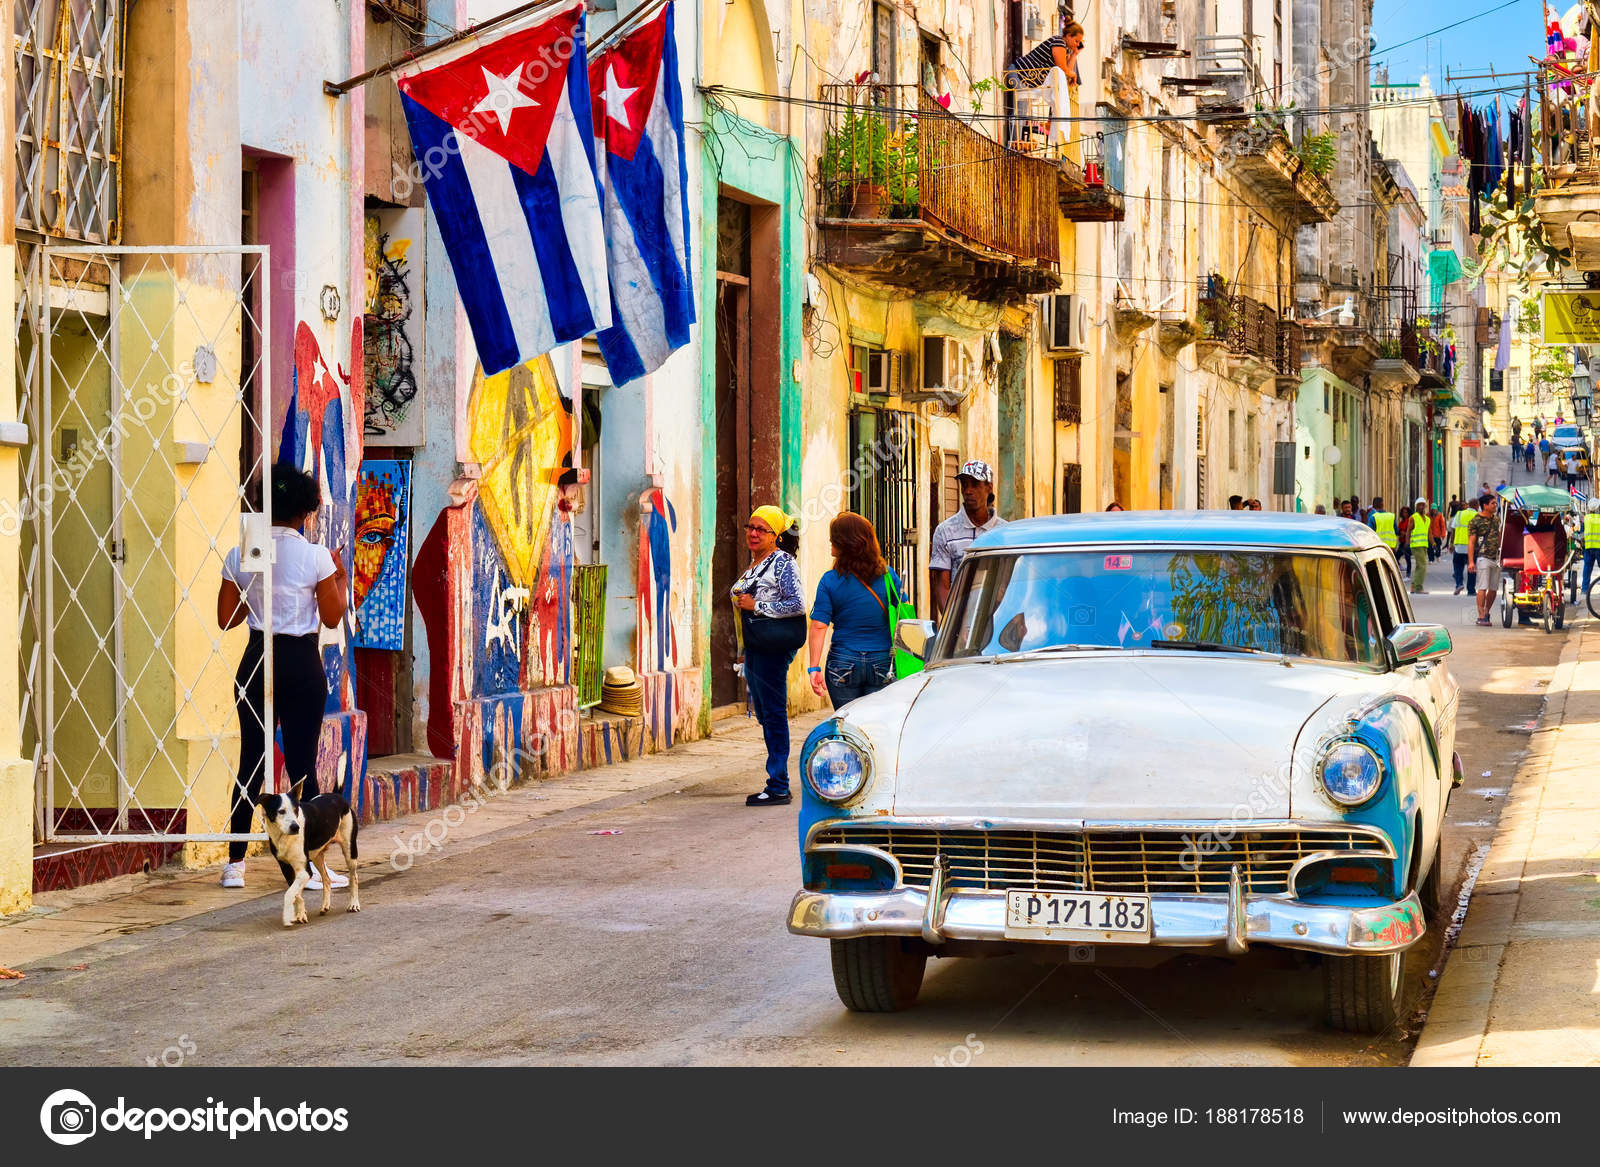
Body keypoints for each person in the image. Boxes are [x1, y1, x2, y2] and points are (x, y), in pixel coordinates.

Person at [216, 464, 347, 891]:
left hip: (257, 656)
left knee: (250, 760)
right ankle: (305, 868)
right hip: (300, 661)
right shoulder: (316, 556)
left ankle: (234, 864)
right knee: (302, 764)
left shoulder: (241, 553)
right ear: (307, 511)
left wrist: (256, 587)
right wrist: (338, 577)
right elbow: (331, 616)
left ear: (262, 505)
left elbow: (226, 618)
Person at [733, 505, 807, 807]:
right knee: (767, 714)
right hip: (756, 648)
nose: (753, 533)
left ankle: (778, 785)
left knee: (774, 715)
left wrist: (757, 605)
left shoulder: (782, 563)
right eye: (750, 527)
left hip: (773, 648)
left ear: (775, 536)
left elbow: (798, 605)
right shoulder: (757, 564)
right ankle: (777, 781)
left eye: (761, 529)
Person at [805, 513, 905, 711]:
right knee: (875, 725)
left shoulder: (830, 580)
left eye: (834, 538)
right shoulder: (888, 577)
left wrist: (814, 667)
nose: (830, 542)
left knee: (847, 725)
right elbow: (902, 617)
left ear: (846, 543)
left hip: (843, 661)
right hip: (882, 661)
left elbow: (819, 625)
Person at [931, 460, 1006, 618]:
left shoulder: (1005, 532)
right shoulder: (945, 532)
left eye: (975, 484)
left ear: (989, 487)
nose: (968, 491)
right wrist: (952, 625)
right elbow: (942, 587)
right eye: (964, 485)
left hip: (999, 619)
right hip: (959, 619)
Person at [1004, 19, 1084, 90]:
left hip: (1026, 79)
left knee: (1021, 106)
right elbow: (1063, 69)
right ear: (1068, 36)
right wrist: (1073, 75)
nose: (1077, 44)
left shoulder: (1065, 49)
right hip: (1019, 75)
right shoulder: (1058, 42)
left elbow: (1066, 72)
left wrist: (1075, 54)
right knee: (1020, 107)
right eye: (1076, 41)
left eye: (1079, 42)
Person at [1470, 493, 1503, 626]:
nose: (1495, 505)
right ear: (1485, 506)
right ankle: (1481, 615)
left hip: (1496, 558)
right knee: (1482, 587)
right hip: (1483, 557)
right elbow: (1471, 542)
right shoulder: (1475, 521)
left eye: (1496, 503)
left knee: (1493, 589)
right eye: (1493, 503)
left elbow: (1499, 535)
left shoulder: (1496, 519)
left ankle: (1487, 611)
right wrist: (1471, 561)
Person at [1452, 496, 1477, 595]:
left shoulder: (1459, 514)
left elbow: (1453, 529)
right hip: (1472, 547)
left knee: (1458, 566)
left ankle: (1459, 584)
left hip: (1459, 546)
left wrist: (1451, 543)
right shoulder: (1477, 515)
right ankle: (1471, 590)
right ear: (1476, 505)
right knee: (1471, 568)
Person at [1408, 497, 1431, 593]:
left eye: (1423, 505)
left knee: (1419, 566)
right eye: (1419, 505)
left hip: (1424, 545)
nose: (1421, 507)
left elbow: (1429, 532)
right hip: (1416, 545)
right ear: (1416, 507)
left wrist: (1433, 543)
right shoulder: (1413, 517)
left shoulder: (1427, 519)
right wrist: (1406, 543)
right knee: (1422, 566)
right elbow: (1408, 530)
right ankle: (1419, 587)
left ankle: (1413, 586)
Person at [1583, 506, 1600, 596]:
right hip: (1599, 547)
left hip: (1589, 547)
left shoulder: (1586, 518)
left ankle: (1584, 589)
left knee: (1587, 568)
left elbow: (1582, 533)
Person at [1396, 504, 1415, 575]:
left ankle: (1408, 573)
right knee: (1396, 556)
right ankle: (1399, 567)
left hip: (1407, 542)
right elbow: (1398, 531)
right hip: (1402, 542)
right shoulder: (1401, 522)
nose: (1405, 514)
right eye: (1403, 512)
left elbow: (1411, 530)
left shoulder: (1410, 520)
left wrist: (1405, 533)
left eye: (1406, 512)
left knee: (1407, 558)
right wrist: (1400, 533)